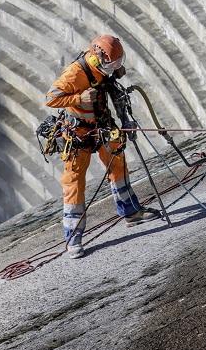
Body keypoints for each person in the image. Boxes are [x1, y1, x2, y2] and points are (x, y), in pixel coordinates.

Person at [45, 34, 147, 259]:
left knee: (118, 165)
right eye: (113, 64)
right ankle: (73, 238)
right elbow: (51, 98)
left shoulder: (104, 70)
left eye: (118, 63)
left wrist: (126, 121)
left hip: (102, 125)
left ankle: (131, 212)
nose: (116, 68)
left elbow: (116, 95)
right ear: (99, 56)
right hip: (78, 133)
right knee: (74, 182)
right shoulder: (76, 73)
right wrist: (78, 99)